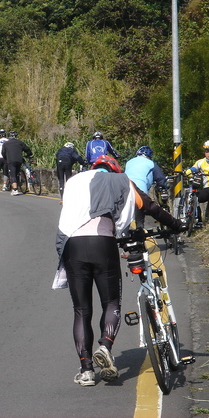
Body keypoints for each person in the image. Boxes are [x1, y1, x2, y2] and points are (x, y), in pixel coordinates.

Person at [55, 155, 185, 387]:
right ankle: (105, 345)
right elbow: (149, 206)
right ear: (114, 169)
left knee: (81, 310)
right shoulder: (121, 180)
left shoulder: (75, 181)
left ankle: (86, 371)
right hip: (102, 244)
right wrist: (176, 225)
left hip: (71, 245)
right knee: (111, 302)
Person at [124, 145, 169, 228]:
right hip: (140, 191)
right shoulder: (151, 163)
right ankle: (139, 230)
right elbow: (160, 178)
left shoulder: (129, 162)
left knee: (125, 217)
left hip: (124, 188)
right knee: (139, 213)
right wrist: (163, 187)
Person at [1, 130, 33, 196]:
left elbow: (3, 153)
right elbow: (28, 150)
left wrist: (6, 158)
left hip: (11, 161)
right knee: (17, 173)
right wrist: (29, 155)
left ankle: (15, 189)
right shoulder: (20, 143)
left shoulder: (6, 144)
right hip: (19, 160)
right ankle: (17, 186)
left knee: (12, 174)